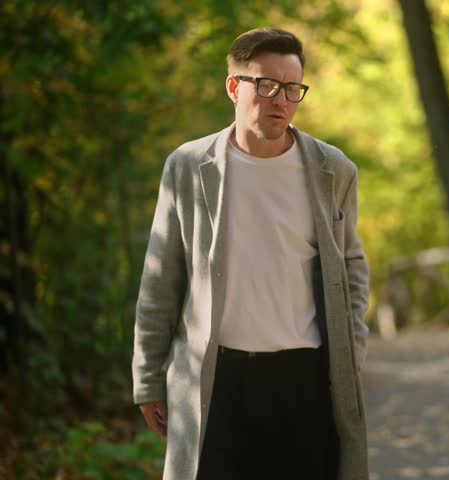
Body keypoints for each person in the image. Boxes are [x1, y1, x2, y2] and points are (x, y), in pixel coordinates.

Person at [131, 27, 370, 480]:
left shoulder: (332, 169)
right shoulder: (188, 166)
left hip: (306, 379)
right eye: (266, 85)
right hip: (215, 379)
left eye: (291, 88)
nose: (280, 99)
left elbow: (352, 267)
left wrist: (351, 352)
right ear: (233, 87)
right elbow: (161, 277)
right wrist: (147, 378)